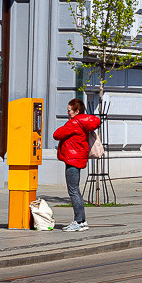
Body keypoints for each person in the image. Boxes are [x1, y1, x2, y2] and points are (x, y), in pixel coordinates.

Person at [53, 98, 101, 232]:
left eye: (69, 110)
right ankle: (82, 221)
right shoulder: (83, 124)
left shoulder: (74, 123)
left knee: (73, 191)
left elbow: (56, 134)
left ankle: (79, 221)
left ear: (77, 110)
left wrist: (68, 124)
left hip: (72, 159)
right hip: (78, 158)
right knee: (75, 190)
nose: (68, 113)